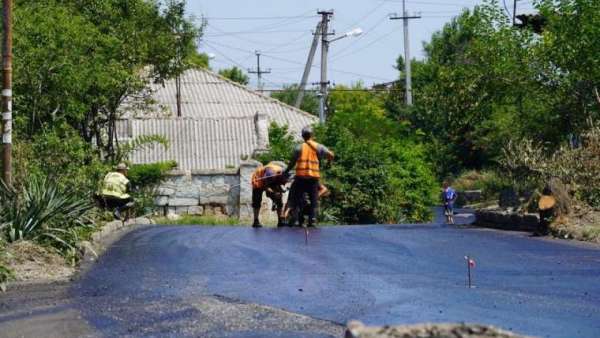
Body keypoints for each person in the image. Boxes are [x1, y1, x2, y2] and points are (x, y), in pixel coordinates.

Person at [285, 126, 334, 227]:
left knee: (297, 198)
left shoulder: (298, 147)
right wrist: (329, 162)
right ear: (312, 135)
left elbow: (292, 162)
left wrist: (286, 171)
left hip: (300, 177)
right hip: (313, 178)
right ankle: (312, 220)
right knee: (314, 199)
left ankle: (297, 220)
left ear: (303, 136)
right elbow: (331, 155)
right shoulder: (319, 147)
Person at [251, 161, 289, 228]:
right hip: (258, 180)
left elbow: (278, 185)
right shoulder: (270, 173)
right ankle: (255, 221)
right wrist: (274, 193)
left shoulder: (281, 174)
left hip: (270, 180)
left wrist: (281, 191)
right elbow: (266, 187)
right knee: (257, 201)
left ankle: (280, 221)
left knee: (279, 199)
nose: (284, 183)